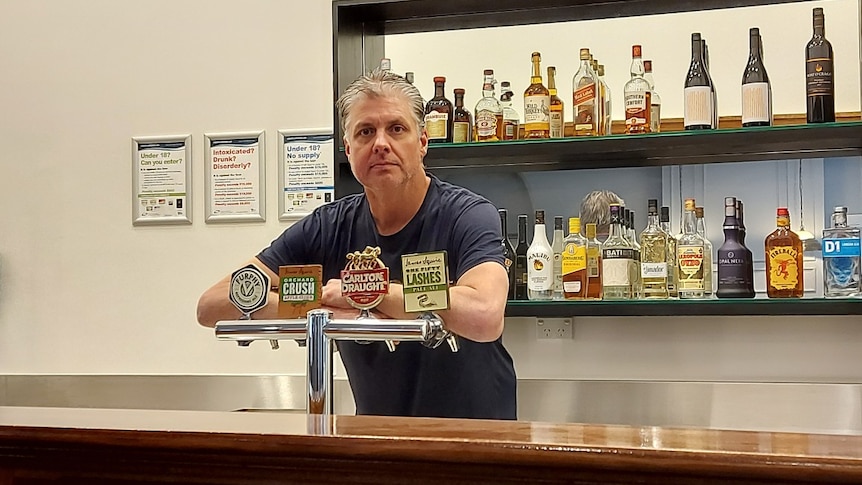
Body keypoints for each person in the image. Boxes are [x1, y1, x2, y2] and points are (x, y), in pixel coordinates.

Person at [196, 69, 517, 420]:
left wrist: (365, 293)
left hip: (475, 443)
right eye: (366, 132)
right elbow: (212, 305)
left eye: (396, 128)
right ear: (349, 149)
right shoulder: (328, 226)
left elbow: (485, 315)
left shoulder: (466, 214)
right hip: (375, 442)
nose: (380, 143)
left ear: (423, 142)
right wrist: (320, 308)